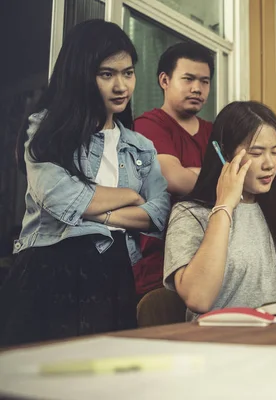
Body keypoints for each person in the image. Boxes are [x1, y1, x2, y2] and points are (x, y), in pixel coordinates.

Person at [0, 20, 170, 346]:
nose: (121, 85)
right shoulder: (45, 130)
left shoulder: (141, 147)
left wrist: (94, 210)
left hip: (115, 272)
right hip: (48, 270)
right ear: (81, 74)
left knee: (104, 382)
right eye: (107, 74)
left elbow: (158, 214)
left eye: (128, 72)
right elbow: (60, 198)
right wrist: (130, 195)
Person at [163, 101, 276, 320]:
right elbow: (198, 298)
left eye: (275, 152)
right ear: (224, 155)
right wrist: (224, 206)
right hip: (220, 346)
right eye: (257, 153)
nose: (270, 164)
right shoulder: (190, 214)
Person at [132, 42, 214, 298]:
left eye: (204, 81)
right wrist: (218, 177)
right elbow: (173, 179)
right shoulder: (148, 125)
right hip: (159, 264)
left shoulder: (214, 132)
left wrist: (190, 172)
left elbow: (242, 184)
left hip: (209, 255)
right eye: (188, 79)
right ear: (164, 80)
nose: (197, 89)